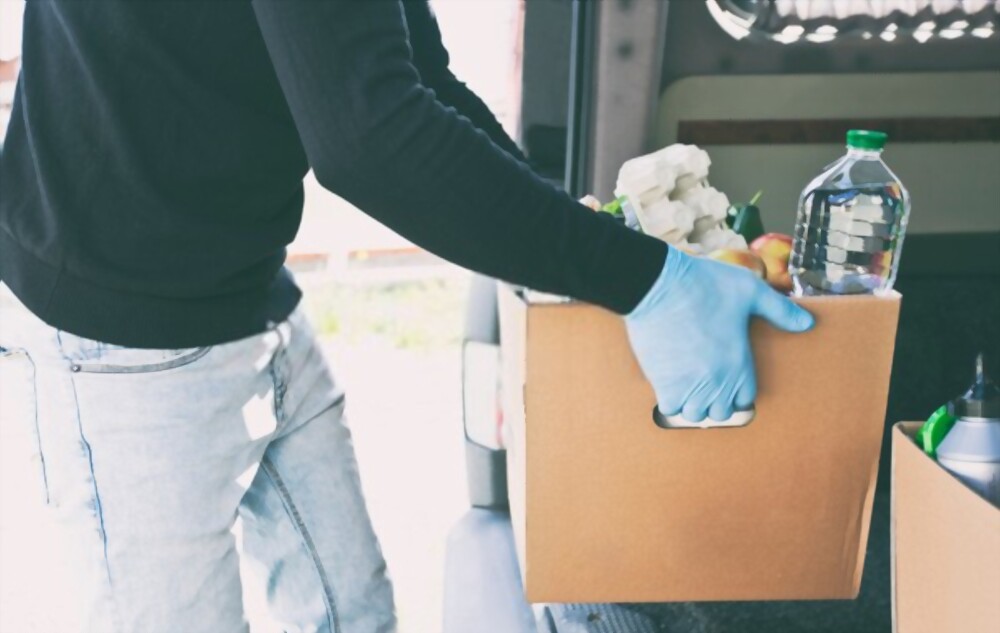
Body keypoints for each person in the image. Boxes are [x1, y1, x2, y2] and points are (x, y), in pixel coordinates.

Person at [0, 1, 814, 632]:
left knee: (355, 613)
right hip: (122, 333)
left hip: (249, 287)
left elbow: (414, 76)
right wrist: (650, 282)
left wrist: (583, 239)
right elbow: (370, 141)